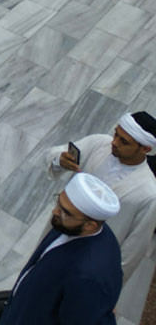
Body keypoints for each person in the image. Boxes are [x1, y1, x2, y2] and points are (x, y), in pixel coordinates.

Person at [46, 113, 156, 322]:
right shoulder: (99, 145)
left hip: (88, 263)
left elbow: (132, 251)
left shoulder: (149, 194)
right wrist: (60, 160)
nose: (114, 143)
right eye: (116, 134)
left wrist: (105, 287)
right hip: (58, 237)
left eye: (124, 141)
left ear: (145, 149)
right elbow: (54, 153)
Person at [0, 173, 122, 324]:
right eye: (59, 203)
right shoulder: (70, 226)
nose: (55, 212)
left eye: (65, 212)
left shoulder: (89, 276)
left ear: (90, 225)